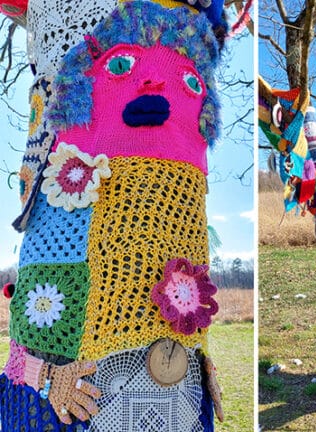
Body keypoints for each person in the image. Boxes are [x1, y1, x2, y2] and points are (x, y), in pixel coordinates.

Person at [0, 1, 227, 430]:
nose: (153, 81)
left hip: (173, 377)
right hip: (67, 379)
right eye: (121, 64)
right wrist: (41, 374)